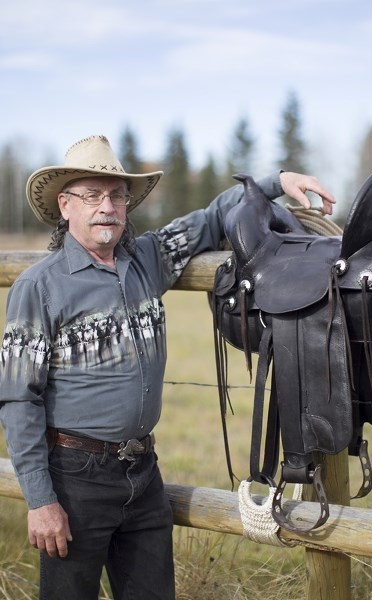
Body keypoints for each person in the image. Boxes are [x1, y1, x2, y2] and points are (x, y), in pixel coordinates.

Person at [0, 134, 335, 599]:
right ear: (65, 205)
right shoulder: (40, 286)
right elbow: (20, 398)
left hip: (142, 471)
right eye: (92, 195)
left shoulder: (146, 260)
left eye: (117, 196)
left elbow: (212, 216)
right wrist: (40, 500)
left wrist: (276, 182)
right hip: (74, 477)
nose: (108, 207)